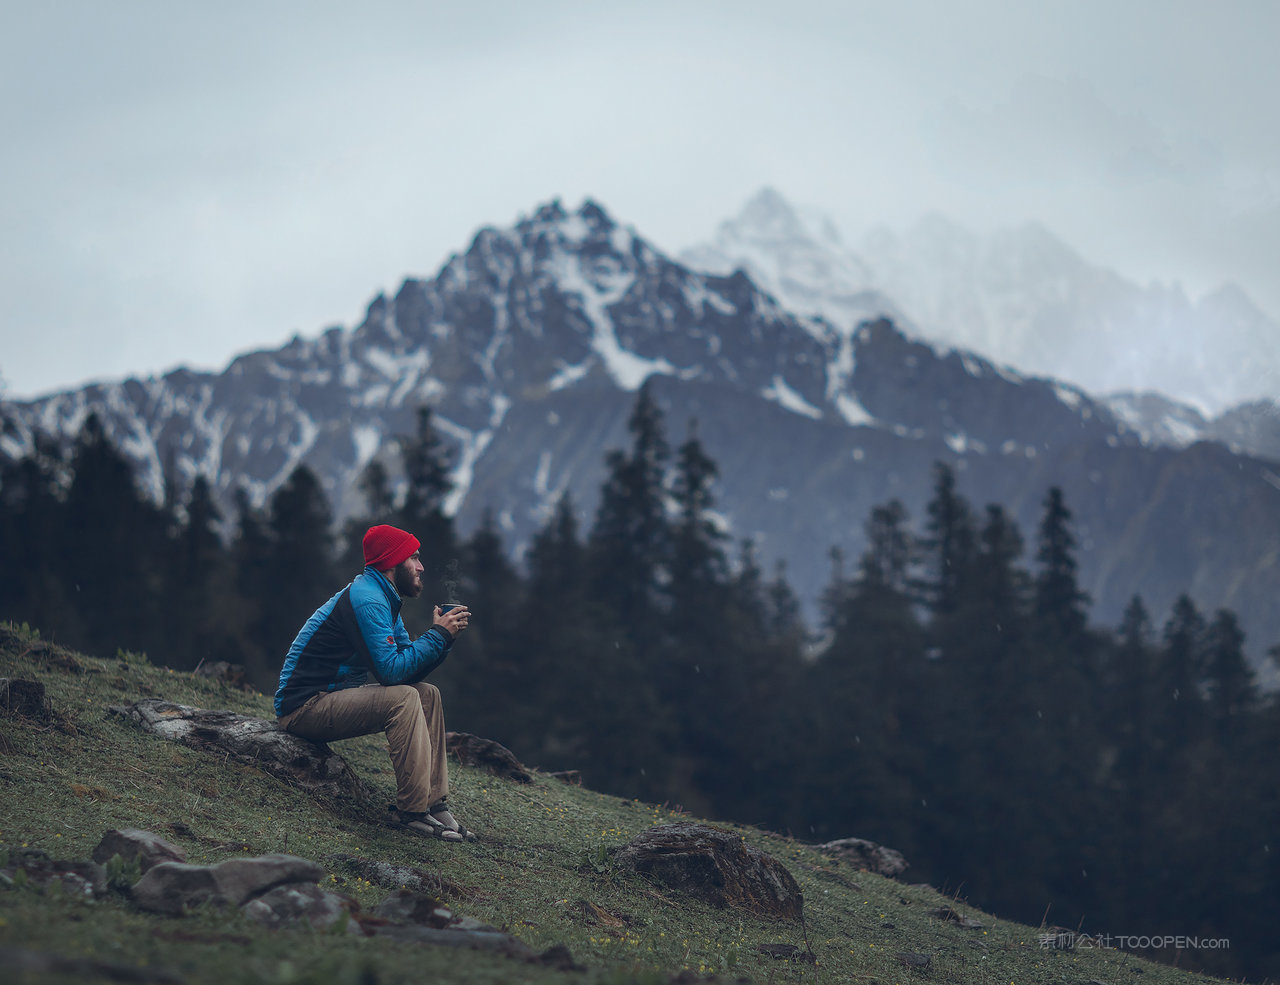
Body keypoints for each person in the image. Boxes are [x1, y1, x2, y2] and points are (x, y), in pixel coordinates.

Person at [274, 523, 474, 842]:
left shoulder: (384, 598)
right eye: (414, 558)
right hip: (303, 708)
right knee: (403, 698)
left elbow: (407, 669)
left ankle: (434, 804)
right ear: (393, 562)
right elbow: (391, 674)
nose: (421, 566)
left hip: (331, 698)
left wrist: (443, 638)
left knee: (427, 694)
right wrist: (438, 635)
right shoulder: (368, 599)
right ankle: (411, 812)